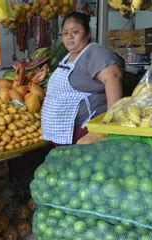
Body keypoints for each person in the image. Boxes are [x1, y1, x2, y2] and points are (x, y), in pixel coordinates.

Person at [41, 12, 123, 145]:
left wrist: (111, 122)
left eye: (75, 32)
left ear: (88, 33)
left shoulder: (94, 51)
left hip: (85, 132)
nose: (69, 37)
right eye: (65, 33)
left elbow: (113, 77)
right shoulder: (68, 56)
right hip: (63, 133)